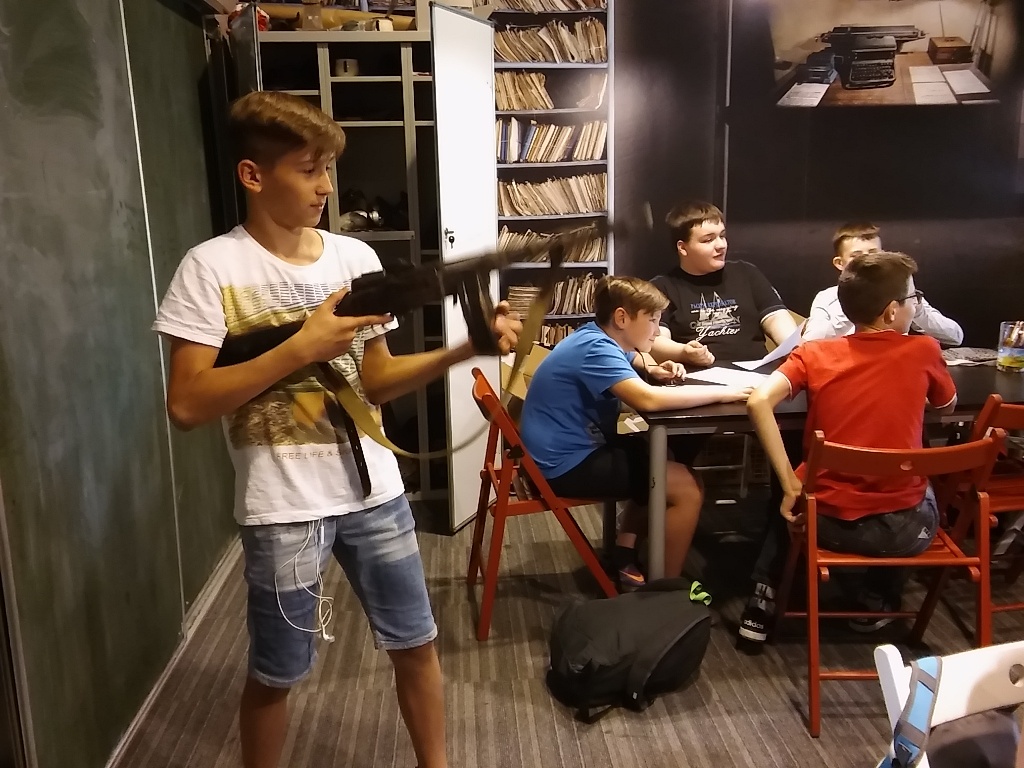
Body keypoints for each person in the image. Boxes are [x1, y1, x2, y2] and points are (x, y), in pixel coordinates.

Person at [152, 91, 521, 768]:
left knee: (416, 643)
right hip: (282, 506)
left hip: (376, 491)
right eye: (308, 170)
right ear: (253, 175)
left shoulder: (354, 259)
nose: (326, 187)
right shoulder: (210, 269)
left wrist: (465, 350)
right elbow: (187, 404)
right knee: (277, 672)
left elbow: (374, 381)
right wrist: (302, 348)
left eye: (328, 169)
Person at [742, 251, 957, 642]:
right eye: (913, 298)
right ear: (892, 312)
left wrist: (789, 483)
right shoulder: (925, 349)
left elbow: (758, 401)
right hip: (906, 533)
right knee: (919, 475)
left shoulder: (814, 353)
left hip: (822, 526)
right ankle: (876, 601)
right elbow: (946, 406)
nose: (916, 304)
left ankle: (763, 597)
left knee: (793, 489)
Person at [519, 275, 752, 588]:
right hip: (563, 465)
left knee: (659, 456)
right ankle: (664, 589)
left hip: (560, 453)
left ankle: (624, 552)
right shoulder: (596, 349)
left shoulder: (595, 336)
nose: (657, 330)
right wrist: (724, 393)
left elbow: (630, 358)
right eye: (652, 320)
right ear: (622, 318)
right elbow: (648, 399)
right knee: (687, 487)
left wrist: (653, 368)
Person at [650, 200, 799, 369]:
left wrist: (794, 347)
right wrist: (683, 352)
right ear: (683, 248)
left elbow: (775, 316)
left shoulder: (746, 273)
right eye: (708, 240)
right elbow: (655, 340)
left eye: (722, 236)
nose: (721, 245)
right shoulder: (662, 287)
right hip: (697, 375)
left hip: (757, 371)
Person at [803, 222, 963, 345]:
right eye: (856, 256)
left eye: (873, 254)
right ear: (840, 263)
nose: (866, 262)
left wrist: (917, 308)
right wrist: (852, 303)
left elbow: (955, 336)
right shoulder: (827, 298)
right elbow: (808, 344)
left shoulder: (901, 291)